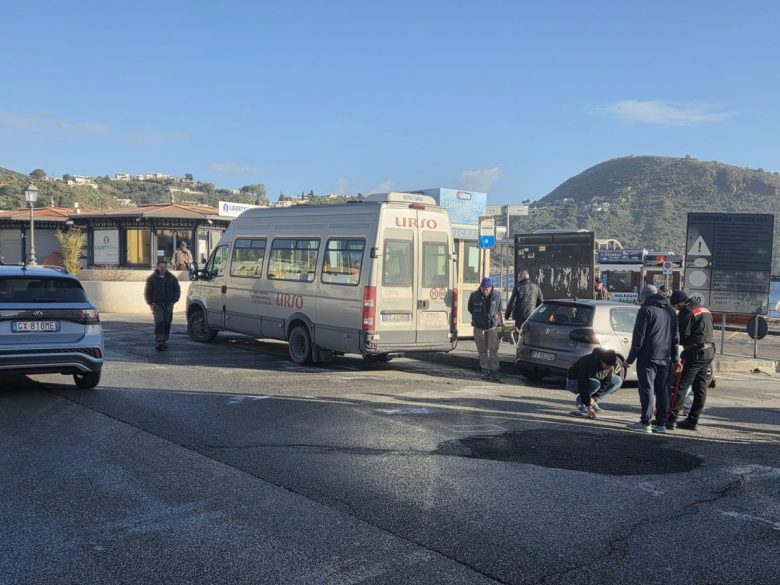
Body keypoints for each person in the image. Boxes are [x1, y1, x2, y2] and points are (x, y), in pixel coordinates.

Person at [625, 285, 681, 433]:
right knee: (662, 389)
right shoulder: (670, 311)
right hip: (665, 357)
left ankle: (646, 423)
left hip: (647, 357)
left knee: (647, 389)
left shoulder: (645, 310)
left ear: (645, 296)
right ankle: (661, 424)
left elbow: (638, 339)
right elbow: (676, 338)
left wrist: (629, 360)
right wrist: (676, 360)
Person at [666, 290, 715, 431]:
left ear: (680, 303)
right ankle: (693, 420)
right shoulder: (704, 308)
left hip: (694, 352)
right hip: (709, 351)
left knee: (679, 385)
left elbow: (681, 335)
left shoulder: (687, 311)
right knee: (700, 387)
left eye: (676, 306)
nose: (676, 309)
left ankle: (670, 419)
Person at [566, 347, 623, 418]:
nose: (607, 367)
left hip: (593, 382)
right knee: (595, 383)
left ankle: (593, 401)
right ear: (601, 361)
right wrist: (588, 406)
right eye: (606, 365)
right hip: (574, 382)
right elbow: (583, 384)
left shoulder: (610, 367)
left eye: (610, 366)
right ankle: (582, 403)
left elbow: (605, 383)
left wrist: (595, 398)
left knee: (617, 380)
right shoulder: (588, 362)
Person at [468, 277, 503, 382]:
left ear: (491, 287)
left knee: (493, 349)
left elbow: (499, 310)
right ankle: (485, 370)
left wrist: (499, 325)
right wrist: (478, 318)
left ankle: (494, 370)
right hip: (479, 327)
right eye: (483, 288)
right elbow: (470, 308)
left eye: (487, 288)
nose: (485, 290)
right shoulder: (474, 296)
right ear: (481, 287)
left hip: (492, 327)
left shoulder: (497, 295)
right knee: (482, 350)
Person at [144, 259, 181, 351]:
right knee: (159, 322)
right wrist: (150, 304)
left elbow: (177, 290)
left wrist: (173, 301)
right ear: (157, 267)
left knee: (167, 322)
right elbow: (147, 292)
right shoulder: (151, 279)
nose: (163, 269)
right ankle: (159, 341)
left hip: (169, 304)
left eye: (164, 267)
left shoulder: (172, 278)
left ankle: (164, 340)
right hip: (157, 304)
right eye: (161, 267)